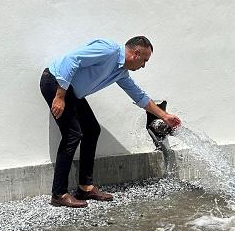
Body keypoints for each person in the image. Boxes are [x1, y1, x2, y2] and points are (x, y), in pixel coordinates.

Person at [40, 36, 181, 208]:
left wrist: (164, 116)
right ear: (136, 53)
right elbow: (72, 59)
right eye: (144, 60)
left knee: (92, 130)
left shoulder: (121, 72)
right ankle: (59, 194)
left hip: (72, 92)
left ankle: (85, 187)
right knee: (72, 134)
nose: (143, 65)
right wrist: (60, 96)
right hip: (55, 82)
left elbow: (139, 95)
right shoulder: (110, 50)